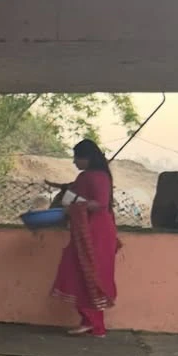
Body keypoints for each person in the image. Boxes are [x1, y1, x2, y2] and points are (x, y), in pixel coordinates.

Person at [51, 138, 119, 338]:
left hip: (93, 232)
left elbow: (99, 204)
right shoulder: (98, 176)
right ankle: (90, 321)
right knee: (86, 271)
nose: (74, 162)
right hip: (94, 230)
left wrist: (72, 206)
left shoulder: (92, 177)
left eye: (76, 157)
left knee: (87, 272)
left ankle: (94, 323)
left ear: (86, 158)